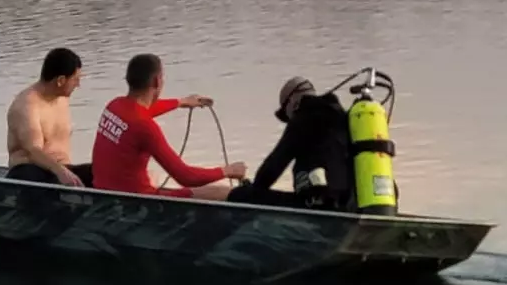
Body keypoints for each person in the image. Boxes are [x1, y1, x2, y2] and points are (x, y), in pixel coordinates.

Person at [91, 53, 246, 200]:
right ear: (157, 81)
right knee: (223, 192)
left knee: (152, 174)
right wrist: (227, 171)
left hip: (105, 194)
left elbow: (144, 110)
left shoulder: (114, 105)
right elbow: (186, 176)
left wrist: (181, 102)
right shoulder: (144, 126)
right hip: (137, 202)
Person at [240, 76, 354, 210]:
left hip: (315, 206)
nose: (288, 119)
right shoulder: (345, 118)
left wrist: (253, 190)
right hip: (346, 206)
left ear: (292, 101)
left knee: (240, 195)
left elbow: (273, 166)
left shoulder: (304, 116)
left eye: (286, 114)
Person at [5, 47, 93, 187]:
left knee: (98, 172)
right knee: (35, 176)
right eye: (75, 80)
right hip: (29, 170)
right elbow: (33, 150)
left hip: (61, 168)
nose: (78, 85)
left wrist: (64, 171)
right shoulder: (27, 105)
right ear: (60, 80)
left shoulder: (62, 99)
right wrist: (60, 171)